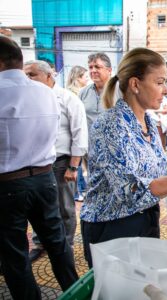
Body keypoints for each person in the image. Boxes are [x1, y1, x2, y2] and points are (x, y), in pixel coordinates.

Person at [80, 48, 167, 268]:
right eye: (159, 82)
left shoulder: (147, 121)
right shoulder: (112, 125)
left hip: (145, 218)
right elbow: (131, 191)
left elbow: (155, 176)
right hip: (112, 226)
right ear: (135, 84)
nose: (166, 89)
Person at [0, 35, 78, 299]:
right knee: (57, 244)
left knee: (14, 253)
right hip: (45, 179)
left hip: (9, 183)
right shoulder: (47, 93)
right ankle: (76, 292)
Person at [23, 60, 88, 261]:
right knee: (38, 206)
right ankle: (40, 242)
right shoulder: (27, 99)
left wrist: (73, 166)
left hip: (61, 163)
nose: (27, 79)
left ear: (49, 76)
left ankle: (66, 245)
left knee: (65, 207)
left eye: (32, 75)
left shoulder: (68, 99)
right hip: (35, 163)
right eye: (25, 75)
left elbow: (79, 133)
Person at [66, 65, 89, 201]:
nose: (88, 79)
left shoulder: (80, 92)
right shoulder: (74, 94)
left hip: (81, 134)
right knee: (77, 163)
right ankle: (79, 191)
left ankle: (81, 189)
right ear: (78, 78)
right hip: (76, 134)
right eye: (85, 77)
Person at [79, 52, 112, 134]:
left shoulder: (120, 91)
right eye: (90, 67)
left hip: (113, 145)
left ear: (109, 70)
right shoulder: (83, 92)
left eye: (97, 67)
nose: (93, 70)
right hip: (89, 144)